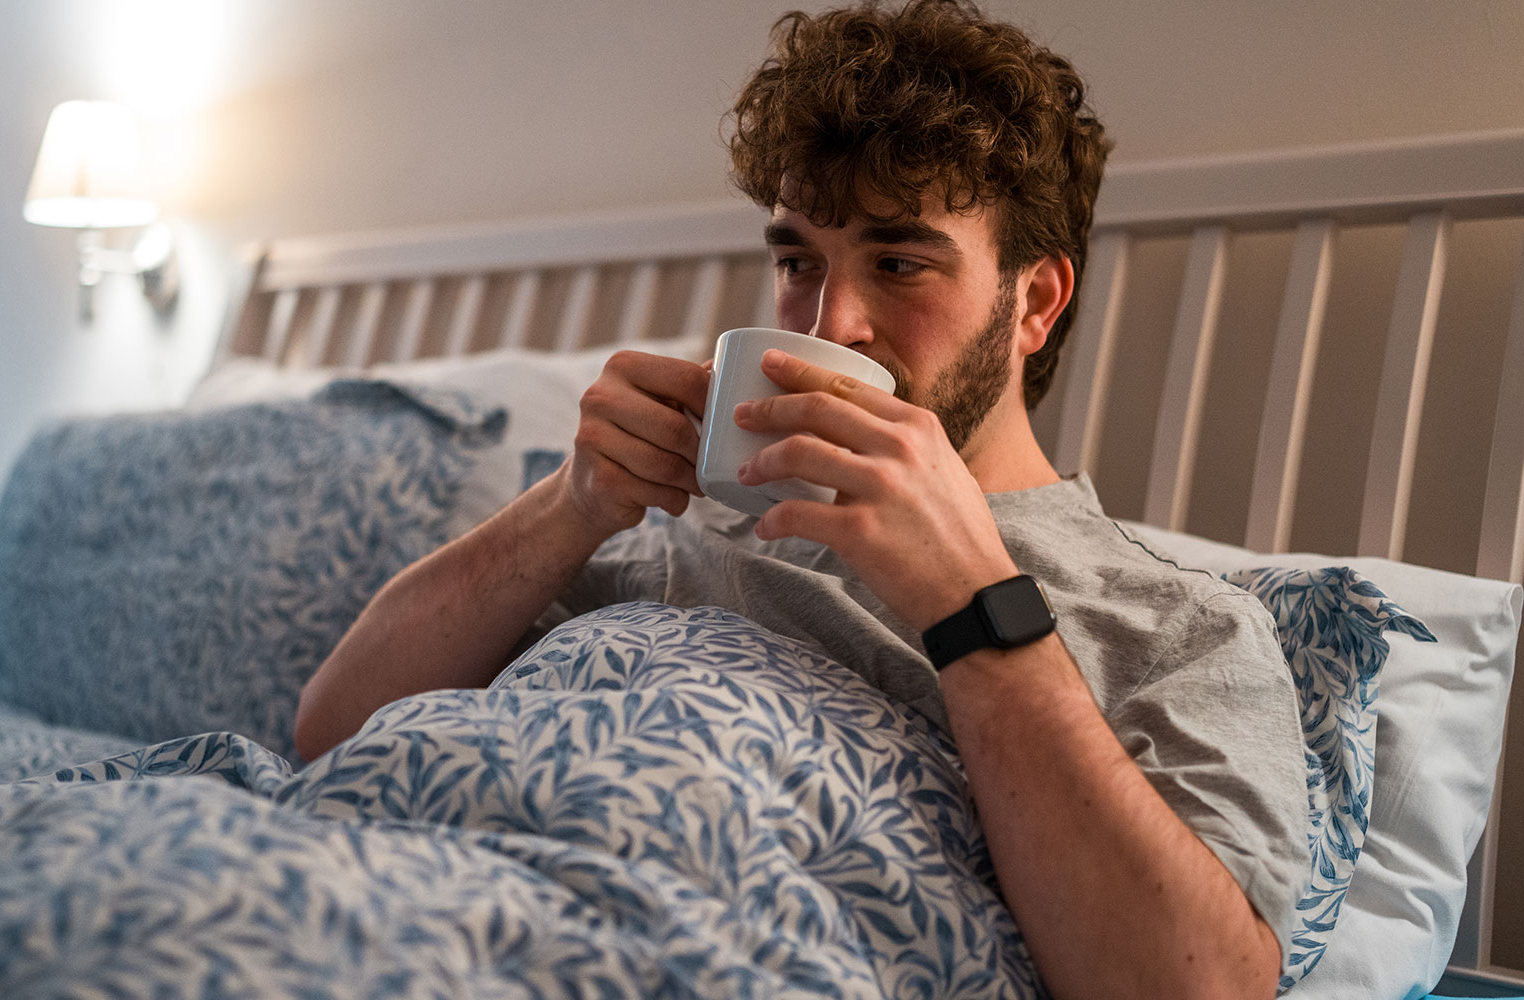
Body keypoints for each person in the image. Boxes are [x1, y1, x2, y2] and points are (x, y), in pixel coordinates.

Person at [295, 2, 1308, 996]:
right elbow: (329, 730)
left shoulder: (1181, 627)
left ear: (1034, 300)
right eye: (797, 263)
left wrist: (973, 606)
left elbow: (1195, 984)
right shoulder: (681, 528)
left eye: (898, 261)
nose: (831, 323)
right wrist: (572, 502)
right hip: (388, 885)